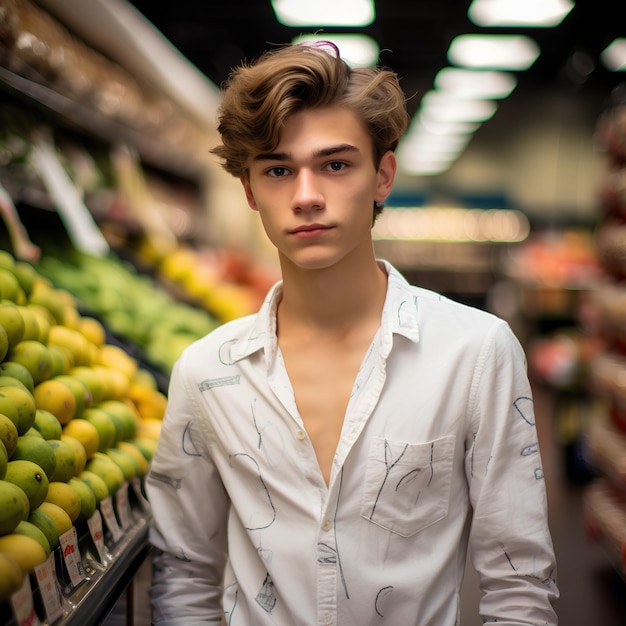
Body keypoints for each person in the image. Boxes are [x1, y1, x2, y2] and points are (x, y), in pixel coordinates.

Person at [146, 42, 559, 625]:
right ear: (249, 192)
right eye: (278, 170)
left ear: (382, 176)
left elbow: (518, 584)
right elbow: (184, 575)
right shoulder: (207, 372)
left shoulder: (474, 354)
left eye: (336, 164)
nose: (307, 195)